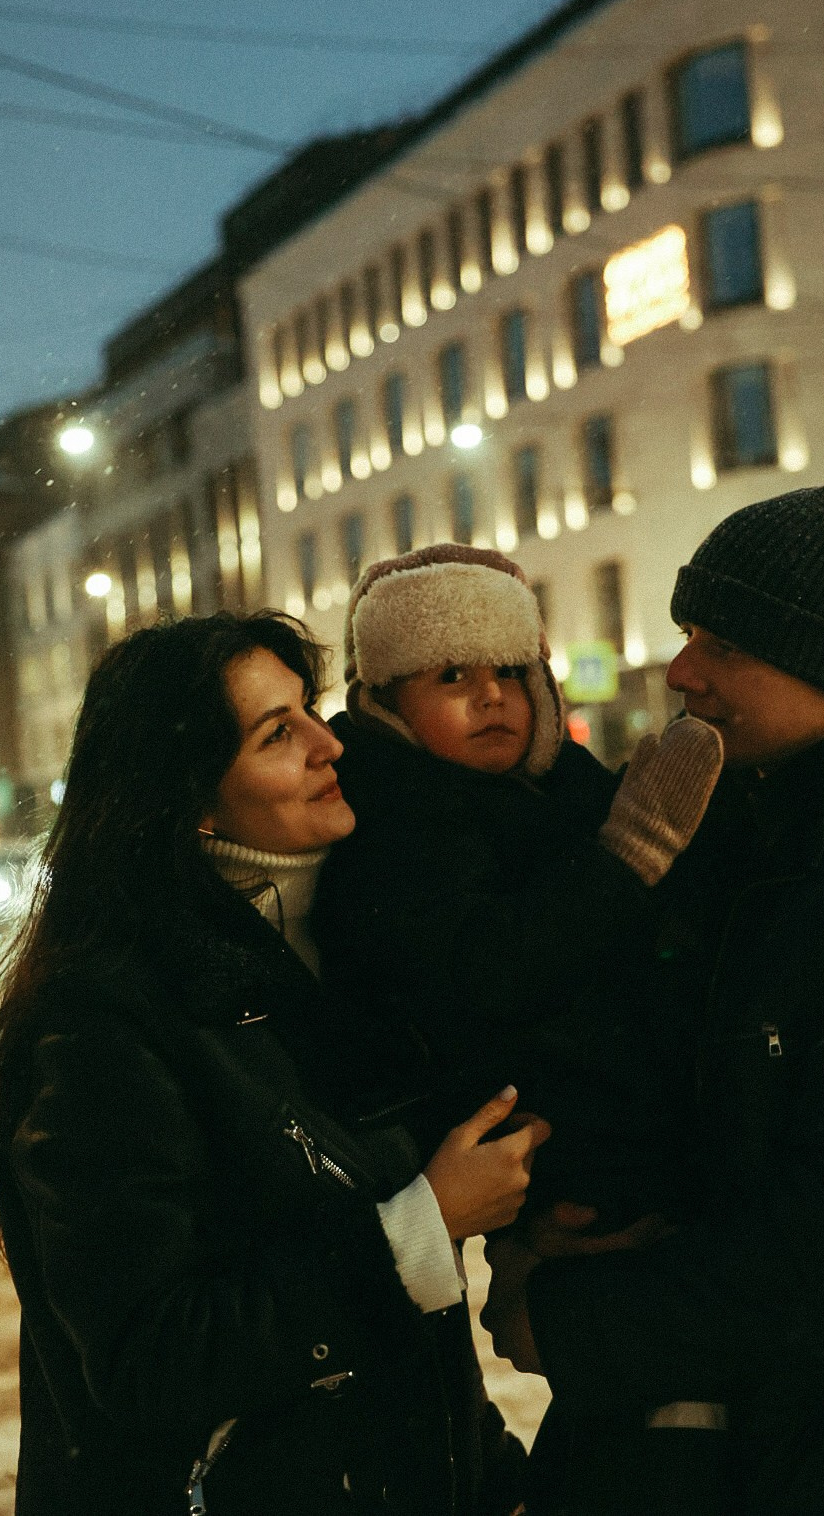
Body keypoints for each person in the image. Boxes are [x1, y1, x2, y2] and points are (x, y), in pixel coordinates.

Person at [484, 478, 824, 1515]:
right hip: (682, 1453)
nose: (683, 669)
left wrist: (571, 1323)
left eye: (722, 645)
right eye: (691, 633)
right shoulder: (709, 838)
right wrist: (573, 1212)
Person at [0, 610, 548, 1516]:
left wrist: (484, 1472)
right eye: (278, 733)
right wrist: (419, 1229)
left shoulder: (353, 955)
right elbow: (148, 1356)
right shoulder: (111, 1014)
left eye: (310, 709)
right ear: (187, 795)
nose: (328, 743)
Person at [310, 543, 730, 1514]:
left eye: (511, 671)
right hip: (534, 1143)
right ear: (383, 702)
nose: (490, 696)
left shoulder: (557, 786)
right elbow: (487, 971)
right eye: (449, 676)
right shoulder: (396, 821)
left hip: (603, 1136)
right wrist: (632, 855)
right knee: (652, 1396)